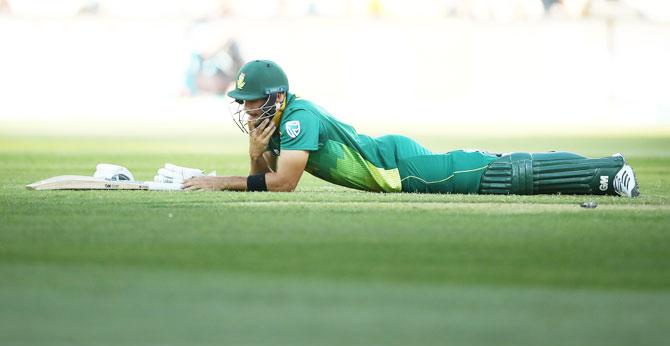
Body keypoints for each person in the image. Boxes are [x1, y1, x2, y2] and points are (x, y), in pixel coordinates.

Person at [183, 59, 639, 197]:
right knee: (494, 164)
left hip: (400, 170)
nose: (246, 110)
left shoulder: (299, 118)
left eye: (252, 101)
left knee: (495, 175)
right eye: (242, 103)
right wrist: (251, 150)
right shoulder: (281, 120)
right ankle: (609, 166)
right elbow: (265, 169)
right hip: (394, 159)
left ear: (276, 97)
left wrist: (216, 182)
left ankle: (606, 174)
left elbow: (282, 184)